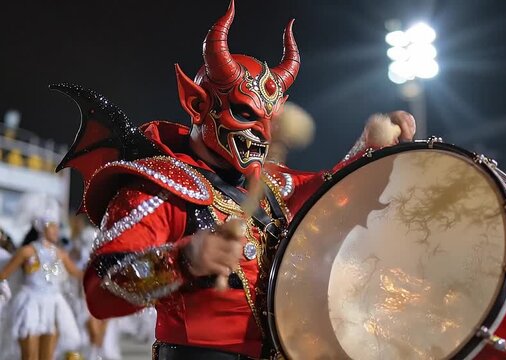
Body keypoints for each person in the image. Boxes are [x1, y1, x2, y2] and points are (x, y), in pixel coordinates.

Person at [54, 1, 416, 359]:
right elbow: (100, 289)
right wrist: (184, 260)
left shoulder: (270, 187)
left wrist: (368, 148)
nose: (262, 131)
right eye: (245, 113)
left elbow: (328, 190)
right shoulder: (158, 186)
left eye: (270, 118)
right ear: (197, 105)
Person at [0, 194, 83, 360]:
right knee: (29, 356)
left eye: (57, 226)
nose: (56, 230)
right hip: (29, 305)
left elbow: (79, 274)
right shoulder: (27, 252)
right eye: (52, 226)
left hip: (53, 306)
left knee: (47, 357)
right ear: (41, 227)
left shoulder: (60, 254)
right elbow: (3, 274)